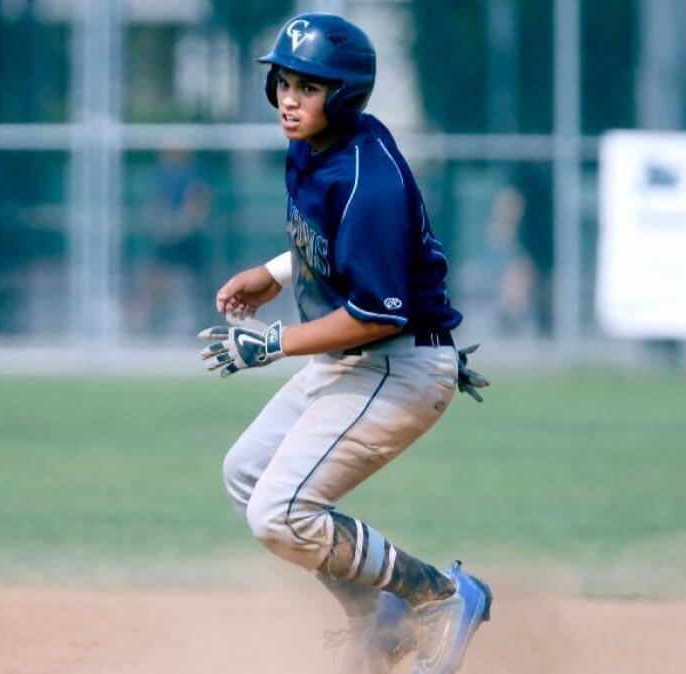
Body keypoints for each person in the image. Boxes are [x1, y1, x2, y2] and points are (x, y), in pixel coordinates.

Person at [197, 14, 491, 674]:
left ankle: (439, 596)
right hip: (356, 362)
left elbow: (377, 312)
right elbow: (330, 246)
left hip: (399, 363)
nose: (290, 100)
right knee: (246, 475)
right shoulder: (315, 146)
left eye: (309, 86)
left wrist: (270, 344)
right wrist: (274, 274)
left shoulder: (370, 178)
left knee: (279, 513)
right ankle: (377, 615)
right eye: (283, 82)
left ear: (346, 95)